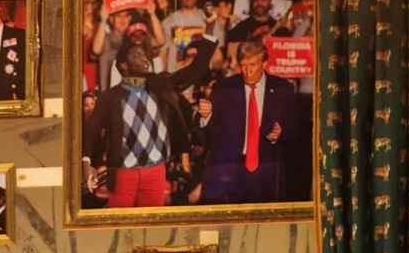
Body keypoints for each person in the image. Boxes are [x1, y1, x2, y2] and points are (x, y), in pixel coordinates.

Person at [83, 33, 211, 210]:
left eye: (144, 55)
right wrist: (86, 162)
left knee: (150, 223)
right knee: (121, 223)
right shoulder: (110, 97)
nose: (144, 59)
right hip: (123, 172)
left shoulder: (161, 85)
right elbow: (90, 130)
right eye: (136, 56)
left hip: (155, 170)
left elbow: (196, 69)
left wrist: (209, 28)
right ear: (123, 65)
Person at [199, 40, 301, 205]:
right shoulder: (224, 87)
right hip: (231, 170)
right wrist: (207, 115)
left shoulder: (283, 89)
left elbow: (295, 128)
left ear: (264, 63)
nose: (248, 71)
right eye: (243, 66)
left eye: (253, 65)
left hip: (266, 168)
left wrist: (281, 132)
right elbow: (211, 130)